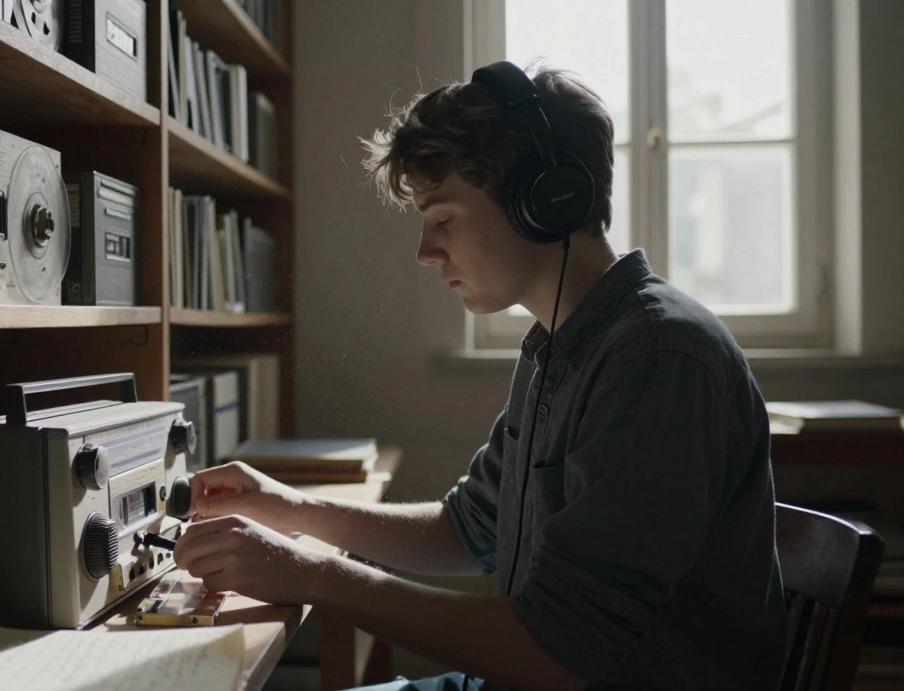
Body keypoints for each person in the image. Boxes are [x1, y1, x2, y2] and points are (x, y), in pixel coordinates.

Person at [170, 61, 787, 691]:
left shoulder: (657, 359)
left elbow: (561, 655)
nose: (424, 253)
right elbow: (466, 529)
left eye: (444, 220)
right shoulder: (557, 345)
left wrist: (310, 574)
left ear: (545, 202)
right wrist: (290, 508)